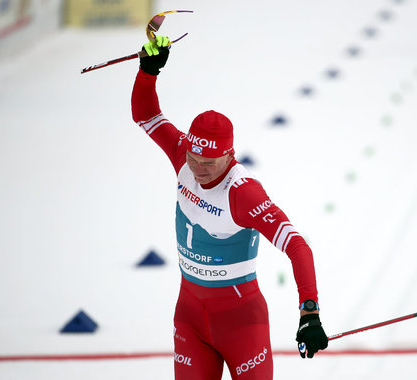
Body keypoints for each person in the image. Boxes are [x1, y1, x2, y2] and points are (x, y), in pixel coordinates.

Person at [131, 35, 328, 379]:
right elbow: (146, 115)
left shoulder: (242, 193)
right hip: (190, 317)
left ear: (229, 154)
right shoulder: (182, 155)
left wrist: (309, 311)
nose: (197, 168)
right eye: (193, 157)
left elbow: (297, 246)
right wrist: (148, 71)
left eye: (208, 161)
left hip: (241, 324)